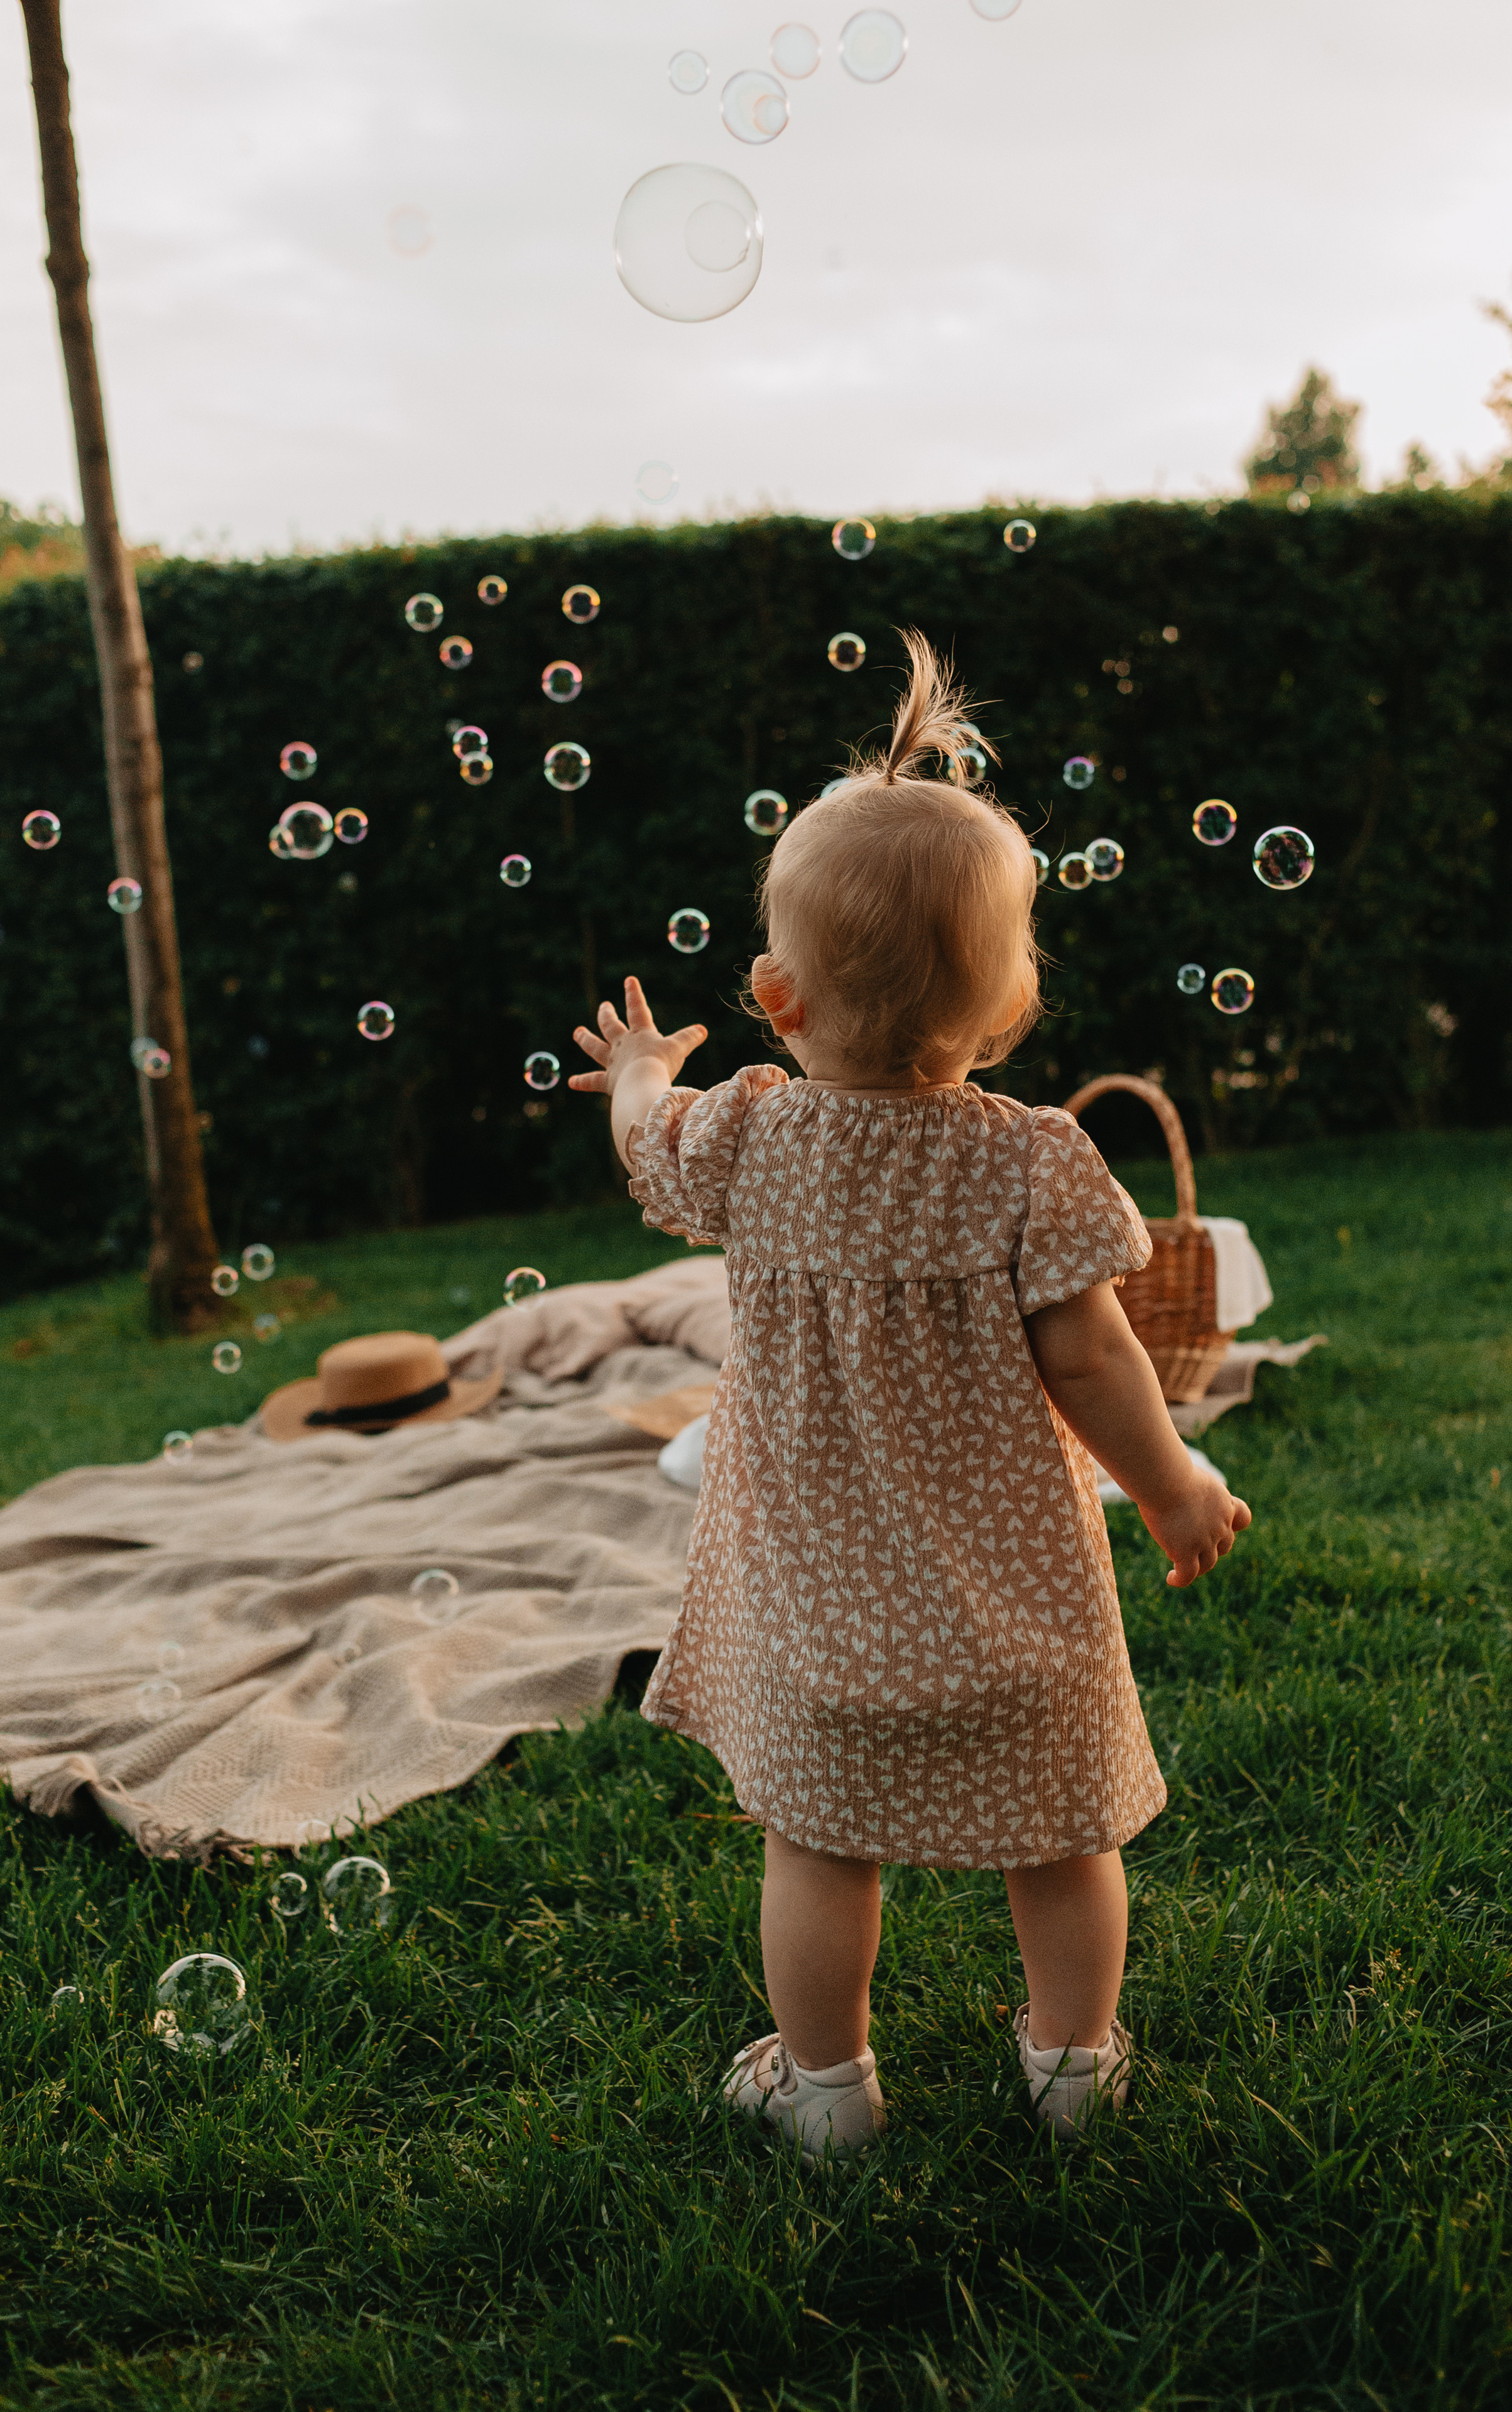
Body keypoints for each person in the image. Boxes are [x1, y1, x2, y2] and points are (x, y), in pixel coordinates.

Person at [570, 630, 1250, 2161]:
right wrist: (1172, 1487)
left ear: (774, 996)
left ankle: (825, 2091)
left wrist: (636, 1068)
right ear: (1005, 1007)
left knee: (817, 1846)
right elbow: (1094, 1358)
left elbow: (642, 1137)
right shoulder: (1029, 1159)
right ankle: (1072, 2067)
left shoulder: (747, 1137)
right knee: (1061, 1837)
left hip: (816, 1592)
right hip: (1013, 1586)